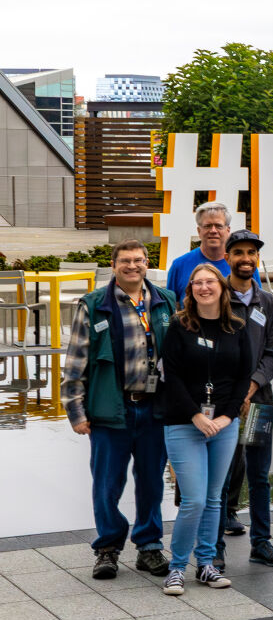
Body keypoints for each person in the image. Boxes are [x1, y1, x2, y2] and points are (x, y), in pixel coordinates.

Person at [62, 240, 178, 581]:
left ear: (147, 264)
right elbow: (74, 363)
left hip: (155, 410)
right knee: (107, 485)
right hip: (111, 410)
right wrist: (76, 411)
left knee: (152, 483)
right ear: (114, 266)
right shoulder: (94, 305)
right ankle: (108, 548)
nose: (132, 266)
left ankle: (149, 546)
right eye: (125, 261)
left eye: (138, 260)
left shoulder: (166, 301)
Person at [159, 263, 253, 595]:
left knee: (214, 499)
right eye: (197, 283)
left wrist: (227, 417)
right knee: (194, 500)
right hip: (185, 423)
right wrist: (196, 416)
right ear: (191, 291)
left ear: (221, 287)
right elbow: (172, 377)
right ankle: (176, 568)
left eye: (209, 281)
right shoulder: (179, 326)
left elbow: (244, 378)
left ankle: (207, 564)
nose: (203, 287)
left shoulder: (237, 328)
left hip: (224, 424)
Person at [217, 230, 273, 569]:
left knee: (259, 475)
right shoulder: (215, 298)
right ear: (228, 257)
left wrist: (251, 386)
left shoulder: (268, 302)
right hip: (222, 405)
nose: (246, 258)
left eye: (252, 253)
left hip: (258, 401)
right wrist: (234, 393)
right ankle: (213, 546)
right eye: (239, 252)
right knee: (221, 474)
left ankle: (262, 542)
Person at [165, 201, 261, 297]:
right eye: (207, 226)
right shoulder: (179, 265)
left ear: (228, 230)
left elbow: (258, 301)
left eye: (218, 226)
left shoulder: (243, 265)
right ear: (199, 231)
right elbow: (170, 306)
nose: (213, 231)